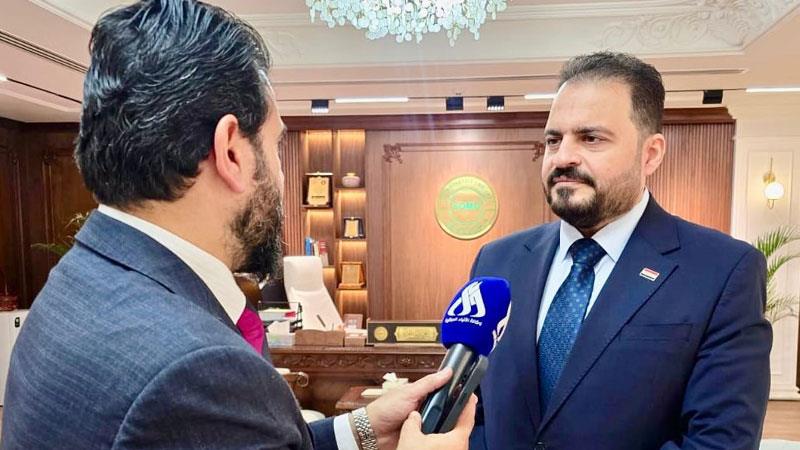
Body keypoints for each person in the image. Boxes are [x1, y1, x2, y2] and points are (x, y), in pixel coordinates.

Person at [0, 1, 475, 449]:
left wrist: (360, 429)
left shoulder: (76, 281)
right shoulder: (198, 371)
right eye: (275, 146)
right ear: (231, 151)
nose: (282, 175)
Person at [468, 52, 772, 450]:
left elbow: (718, 442)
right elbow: (476, 411)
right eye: (553, 140)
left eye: (590, 138)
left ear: (651, 154)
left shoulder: (723, 271)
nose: (563, 157)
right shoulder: (496, 261)